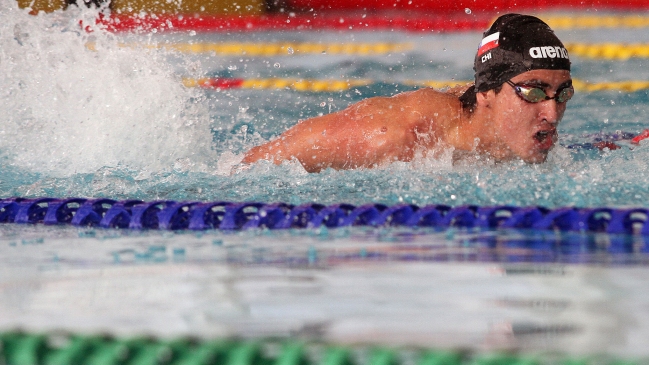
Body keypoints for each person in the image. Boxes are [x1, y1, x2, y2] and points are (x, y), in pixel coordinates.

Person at [241, 13, 573, 172]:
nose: (552, 114)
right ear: (486, 93)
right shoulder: (397, 135)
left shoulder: (519, 134)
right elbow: (253, 167)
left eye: (562, 94)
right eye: (533, 93)